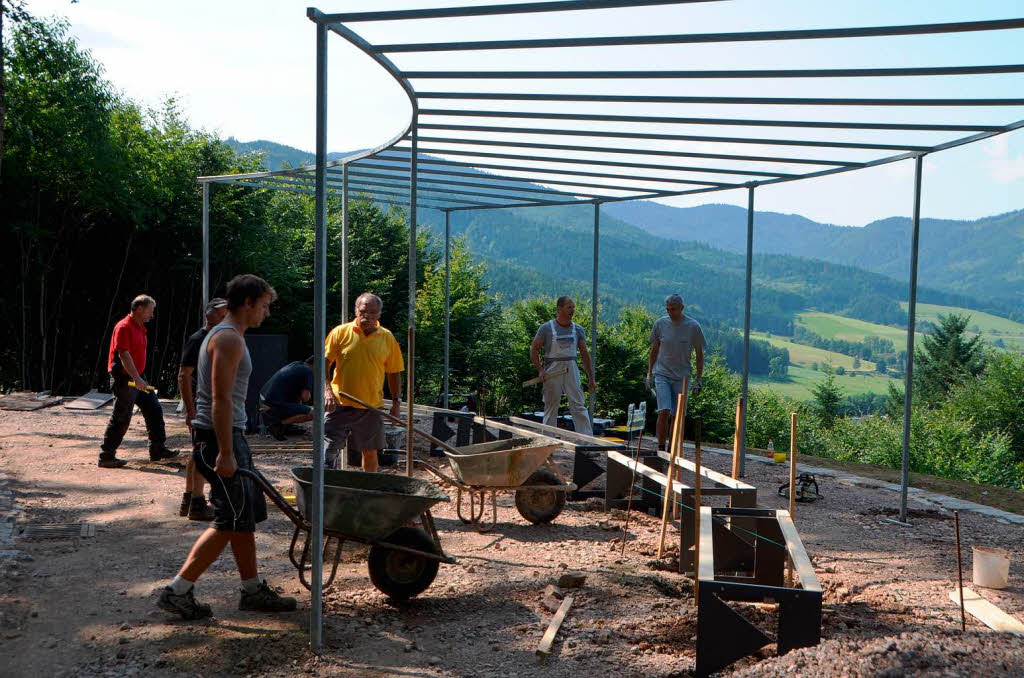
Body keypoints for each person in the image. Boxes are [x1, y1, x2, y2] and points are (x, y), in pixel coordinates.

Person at [157, 274, 296, 620]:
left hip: (229, 436)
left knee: (242, 516)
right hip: (218, 439)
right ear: (247, 303)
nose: (266, 313)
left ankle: (252, 589)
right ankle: (178, 590)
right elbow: (219, 399)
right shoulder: (229, 339)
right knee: (228, 519)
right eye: (264, 306)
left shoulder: (228, 337)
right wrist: (226, 451)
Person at [324, 293, 404, 473]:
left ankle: (369, 490)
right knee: (328, 450)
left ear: (379, 314)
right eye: (363, 311)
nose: (367, 316)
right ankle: (325, 490)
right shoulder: (341, 332)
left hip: (370, 406)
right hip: (339, 404)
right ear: (355, 311)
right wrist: (327, 391)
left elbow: (394, 372)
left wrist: (396, 403)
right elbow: (324, 363)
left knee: (370, 452)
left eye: (373, 312)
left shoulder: (387, 338)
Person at [98, 295, 180, 468]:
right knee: (122, 416)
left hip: (138, 376)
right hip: (125, 378)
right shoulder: (124, 327)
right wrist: (136, 378)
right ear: (140, 308)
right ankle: (106, 455)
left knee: (154, 409)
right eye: (150, 310)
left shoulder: (139, 327)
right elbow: (124, 354)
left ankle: (157, 450)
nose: (152, 314)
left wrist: (139, 377)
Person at [176, 297, 228, 520]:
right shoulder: (198, 339)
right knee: (203, 453)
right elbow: (183, 375)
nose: (227, 316)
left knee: (197, 454)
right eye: (222, 312)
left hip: (205, 404)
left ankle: (189, 499)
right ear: (210, 315)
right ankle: (197, 504)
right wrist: (190, 410)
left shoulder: (216, 337)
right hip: (201, 404)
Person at [647, 293, 706, 451]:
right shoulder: (660, 324)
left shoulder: (693, 327)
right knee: (664, 410)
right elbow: (654, 350)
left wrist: (698, 379)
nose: (670, 312)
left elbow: (699, 355)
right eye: (667, 309)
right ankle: (660, 447)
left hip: (683, 376)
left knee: (677, 415)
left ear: (682, 308)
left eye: (673, 309)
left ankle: (671, 450)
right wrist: (649, 373)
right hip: (662, 373)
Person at [529, 296, 595, 436]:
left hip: (572, 368)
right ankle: (547, 442)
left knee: (578, 405)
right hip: (552, 369)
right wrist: (540, 370)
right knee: (551, 406)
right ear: (559, 309)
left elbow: (584, 354)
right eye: (569, 307)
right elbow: (533, 349)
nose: (572, 310)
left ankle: (587, 442)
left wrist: (591, 378)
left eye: (573, 307)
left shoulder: (577, 329)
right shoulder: (546, 328)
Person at [259, 356, 314, 440]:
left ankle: (287, 428)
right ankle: (278, 425)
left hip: (263, 402)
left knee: (297, 403)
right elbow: (305, 398)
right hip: (274, 405)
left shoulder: (296, 365)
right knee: (315, 413)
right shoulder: (308, 371)